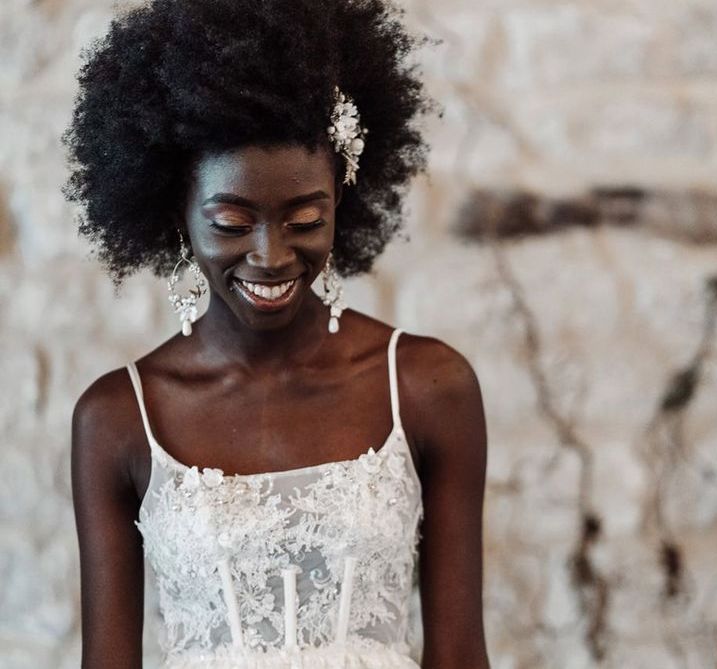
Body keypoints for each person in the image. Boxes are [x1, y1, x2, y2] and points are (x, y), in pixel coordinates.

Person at [65, 0, 490, 667]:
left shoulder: (429, 386)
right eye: (233, 222)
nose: (270, 255)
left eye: (304, 217)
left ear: (342, 203)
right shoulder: (117, 417)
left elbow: (462, 655)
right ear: (176, 212)